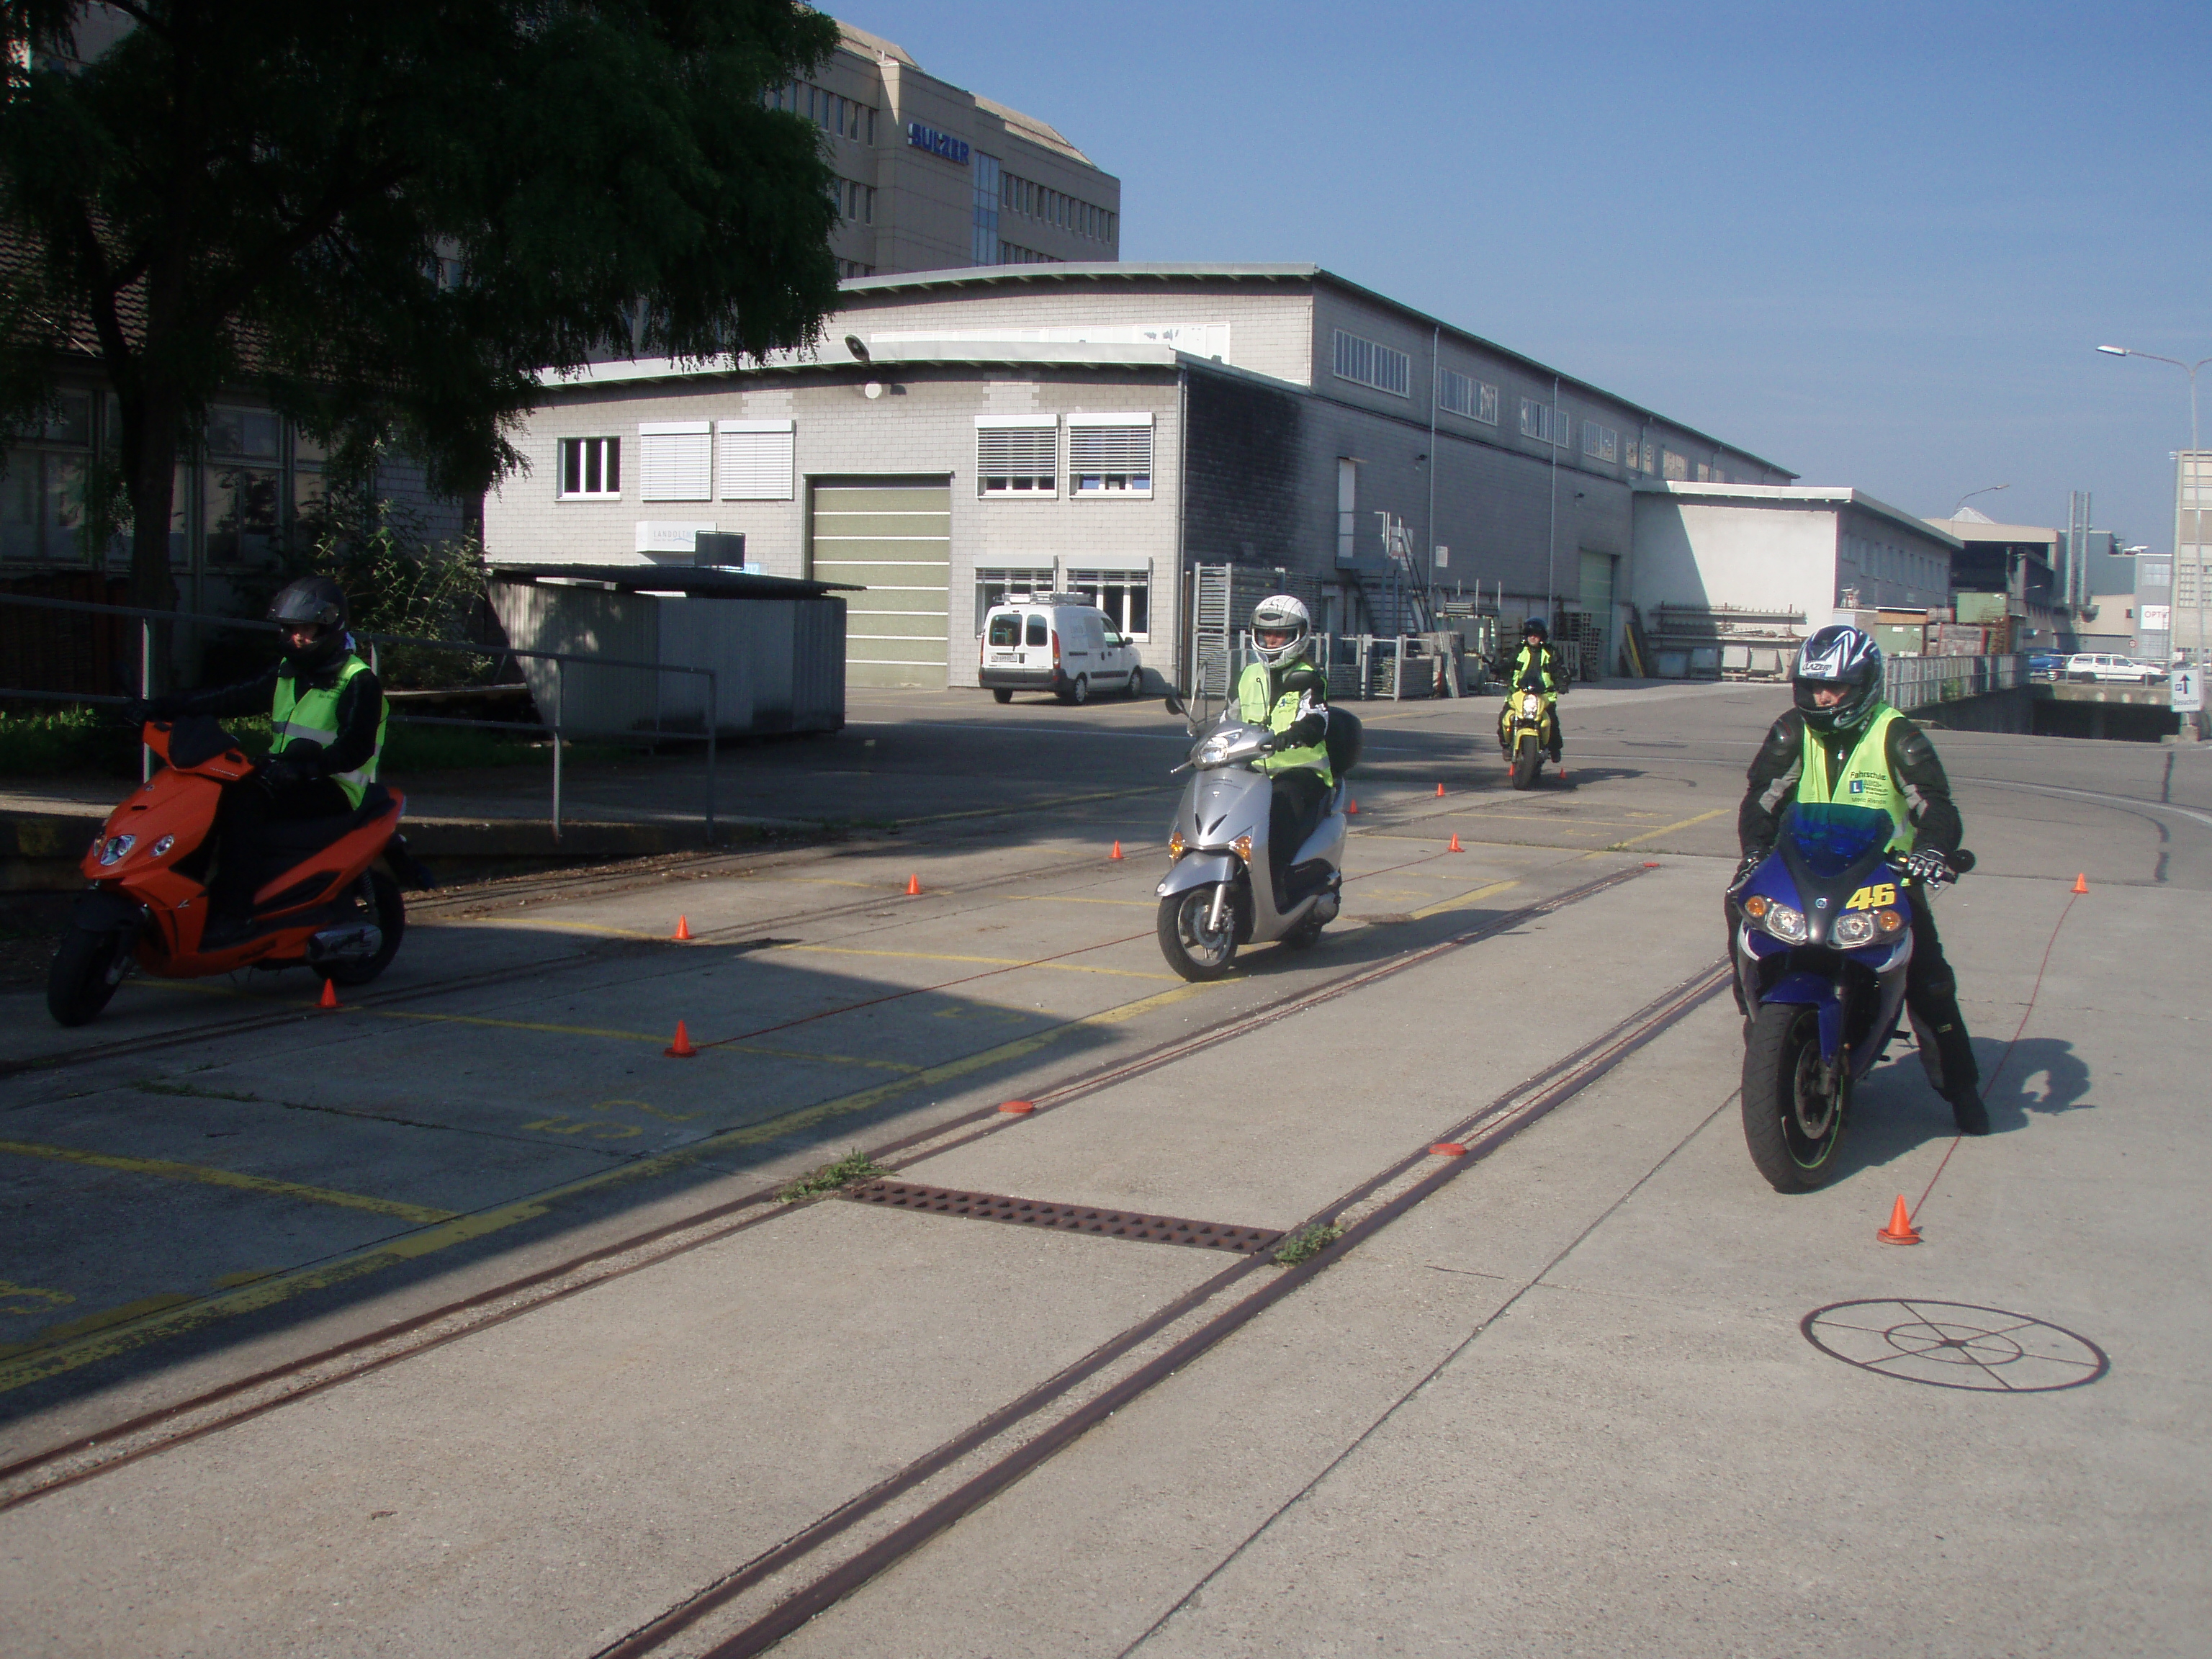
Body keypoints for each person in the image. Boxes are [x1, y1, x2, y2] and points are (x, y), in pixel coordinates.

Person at [1730, 624, 1987, 1134]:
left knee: (1931, 980)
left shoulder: (1896, 733)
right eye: (1813, 686)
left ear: (1865, 685)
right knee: (1742, 908)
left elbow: (1935, 803)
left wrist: (1932, 849)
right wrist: (1755, 851)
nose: (1823, 697)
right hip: (1803, 865)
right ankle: (1756, 1016)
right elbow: (1760, 799)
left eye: (1836, 688)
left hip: (1882, 872)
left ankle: (1961, 1090)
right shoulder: (1791, 730)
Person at [135, 575, 387, 942]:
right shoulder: (288, 671)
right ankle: (181, 896)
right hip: (287, 773)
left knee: (244, 802)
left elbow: (356, 747)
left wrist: (305, 768)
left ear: (330, 627)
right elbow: (231, 697)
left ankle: (233, 914)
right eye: (290, 629)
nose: (297, 637)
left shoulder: (358, 680)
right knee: (211, 792)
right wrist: (161, 707)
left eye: (307, 629)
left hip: (335, 785)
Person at [1237, 594, 1332, 902]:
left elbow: (1317, 715)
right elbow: (1229, 717)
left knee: (1277, 811)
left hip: (1300, 771)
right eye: (1266, 633)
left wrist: (1297, 733)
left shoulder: (1308, 677)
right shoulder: (1249, 676)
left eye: (1280, 634)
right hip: (1253, 770)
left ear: (1298, 636)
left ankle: (1276, 888)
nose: (1272, 640)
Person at [1498, 617, 1567, 762]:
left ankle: (1555, 748)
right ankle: (1506, 745)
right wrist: (1498, 670)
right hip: (1518, 693)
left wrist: (1563, 682)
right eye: (1530, 634)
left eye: (1536, 634)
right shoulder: (1518, 651)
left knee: (1552, 722)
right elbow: (1505, 664)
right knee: (1504, 718)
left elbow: (1559, 670)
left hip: (1544, 695)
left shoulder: (1550, 653)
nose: (1533, 637)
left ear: (1542, 636)